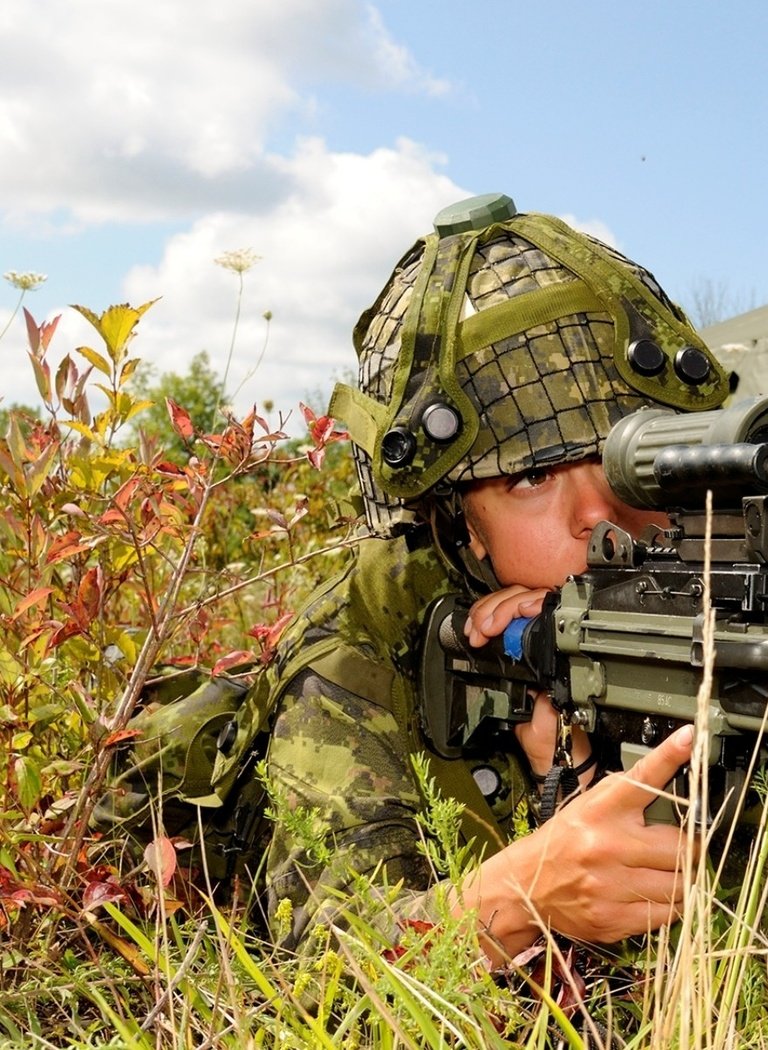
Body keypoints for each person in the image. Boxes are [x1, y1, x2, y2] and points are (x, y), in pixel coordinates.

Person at [259, 192, 734, 962]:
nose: (598, 514)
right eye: (532, 479)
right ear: (456, 520)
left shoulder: (708, 592)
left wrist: (571, 765)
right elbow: (325, 961)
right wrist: (525, 894)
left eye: (624, 456)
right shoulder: (356, 650)